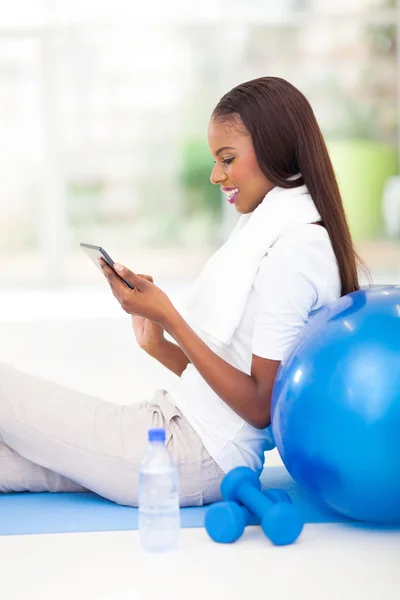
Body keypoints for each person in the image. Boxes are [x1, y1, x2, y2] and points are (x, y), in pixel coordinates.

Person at [0, 76, 363, 507]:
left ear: (275, 148)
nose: (215, 175)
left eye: (227, 158)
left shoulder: (297, 250)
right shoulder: (277, 233)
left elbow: (261, 406)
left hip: (193, 455)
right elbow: (229, 385)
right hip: (178, 435)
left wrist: (171, 316)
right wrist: (157, 342)